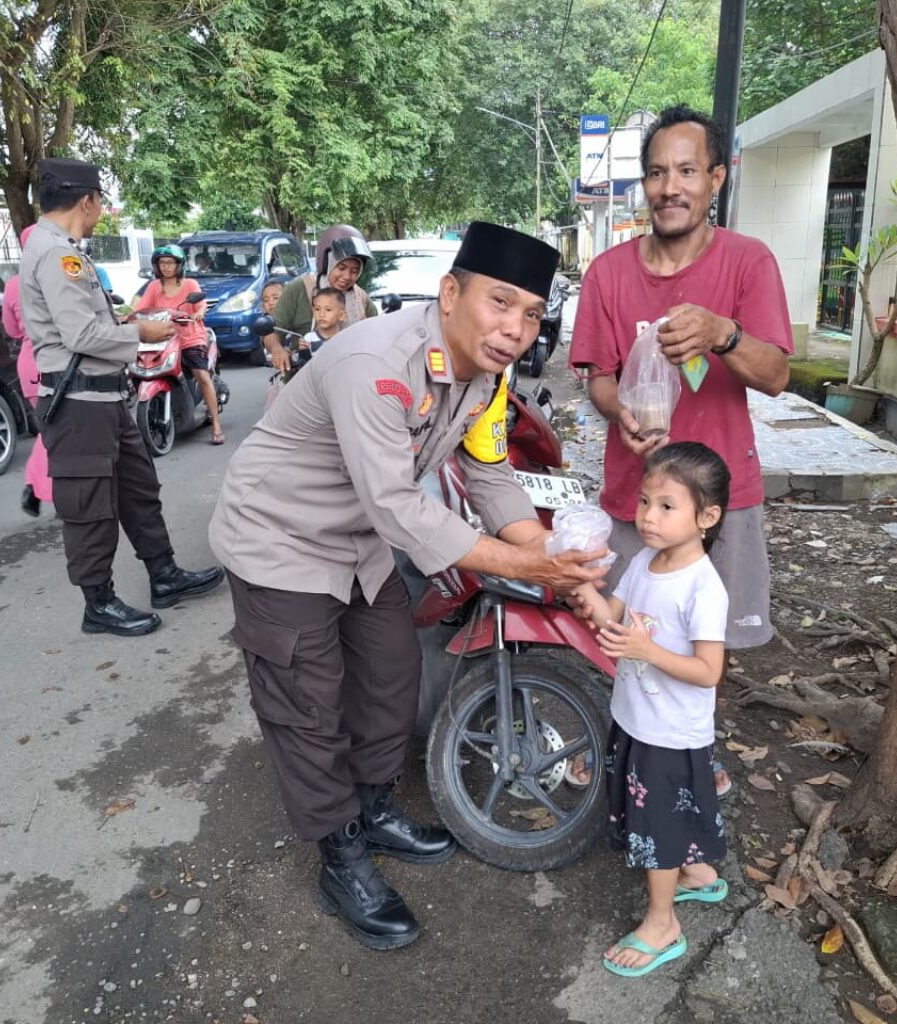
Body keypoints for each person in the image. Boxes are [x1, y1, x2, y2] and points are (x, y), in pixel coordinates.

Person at [209, 221, 610, 951]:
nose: (515, 329)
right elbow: (397, 504)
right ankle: (340, 856)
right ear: (451, 293)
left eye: (531, 314)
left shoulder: (487, 374)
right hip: (279, 540)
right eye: (500, 303)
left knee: (391, 676)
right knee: (309, 706)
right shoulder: (377, 362)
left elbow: (487, 472)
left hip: (357, 541)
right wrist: (528, 567)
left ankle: (372, 808)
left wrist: (552, 555)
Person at [569, 104, 794, 795]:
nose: (671, 187)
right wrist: (620, 412)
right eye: (658, 173)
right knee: (621, 625)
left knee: (706, 638)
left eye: (688, 171)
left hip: (720, 502)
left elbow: (776, 375)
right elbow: (598, 377)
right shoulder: (608, 274)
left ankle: (696, 751)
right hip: (635, 495)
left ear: (715, 179)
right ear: (644, 183)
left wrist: (724, 334)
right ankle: (618, 743)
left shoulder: (749, 262)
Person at [19, 157, 224, 637]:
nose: (100, 210)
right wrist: (140, 333)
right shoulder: (56, 254)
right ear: (87, 201)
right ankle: (99, 604)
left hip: (105, 399)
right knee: (90, 505)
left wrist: (127, 323)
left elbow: (86, 323)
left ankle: (164, 575)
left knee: (138, 489)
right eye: (99, 201)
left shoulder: (65, 249)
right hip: (79, 403)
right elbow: (81, 335)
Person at [572, 442, 731, 977]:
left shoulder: (703, 588)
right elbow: (613, 620)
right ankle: (696, 873)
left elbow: (709, 671)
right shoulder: (644, 561)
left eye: (666, 506)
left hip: (670, 733)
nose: (647, 516)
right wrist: (582, 586)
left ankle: (662, 925)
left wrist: (648, 651)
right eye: (644, 502)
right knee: (668, 814)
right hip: (636, 719)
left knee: (657, 826)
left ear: (707, 517)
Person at [135, 244, 225, 445]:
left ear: (179, 265)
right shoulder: (154, 286)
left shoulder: (190, 284)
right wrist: (127, 317)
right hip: (162, 337)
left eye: (170, 263)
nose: (166, 266)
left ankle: (216, 425)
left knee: (202, 375)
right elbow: (140, 308)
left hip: (189, 337)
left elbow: (201, 304)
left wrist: (198, 313)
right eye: (162, 263)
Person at [264, 224, 376, 373]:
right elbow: (271, 330)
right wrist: (277, 350)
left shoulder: (361, 299)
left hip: (350, 375)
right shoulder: (299, 289)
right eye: (341, 268)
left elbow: (377, 335)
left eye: (354, 271)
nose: (347, 276)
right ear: (327, 262)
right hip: (304, 375)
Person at [2, 225, 53, 517]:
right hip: (58, 362)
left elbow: (11, 329)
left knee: (51, 427)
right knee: (59, 429)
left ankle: (44, 487)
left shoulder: (13, 284)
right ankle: (37, 486)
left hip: (30, 364)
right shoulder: (60, 276)